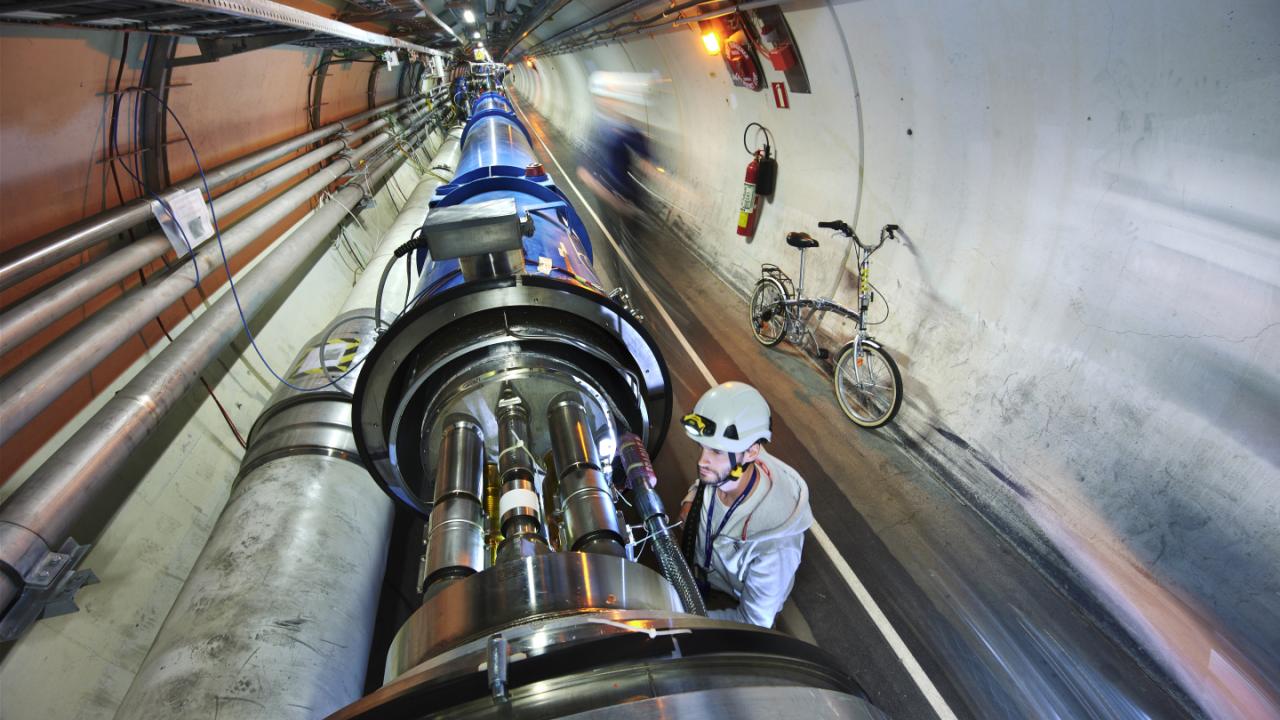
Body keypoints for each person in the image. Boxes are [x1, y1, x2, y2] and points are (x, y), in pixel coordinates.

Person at [679, 382, 813, 628]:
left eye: (717, 451)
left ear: (751, 452)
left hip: (733, 597)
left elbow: (753, 624)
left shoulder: (775, 547)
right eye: (701, 446)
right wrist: (691, 499)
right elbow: (703, 484)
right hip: (708, 574)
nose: (702, 461)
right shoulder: (727, 467)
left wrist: (680, 622)